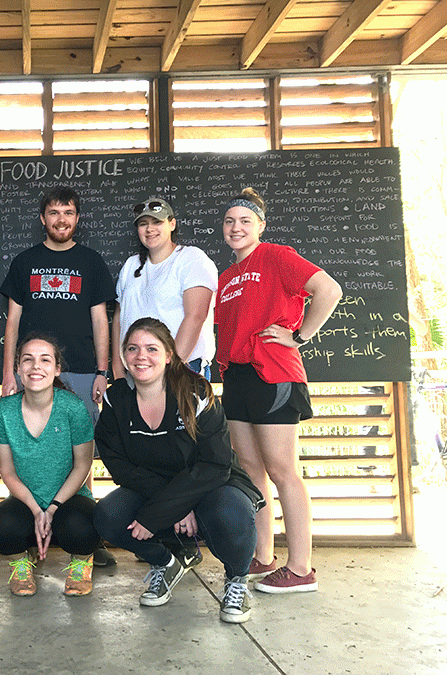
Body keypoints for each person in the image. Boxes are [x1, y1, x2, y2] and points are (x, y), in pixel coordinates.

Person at [94, 318, 263, 623]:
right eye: (132, 349)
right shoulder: (115, 398)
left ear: (169, 355)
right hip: (153, 488)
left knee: (232, 513)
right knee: (108, 516)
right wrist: (172, 507)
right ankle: (166, 562)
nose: (140, 356)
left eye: (151, 348)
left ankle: (237, 580)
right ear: (123, 355)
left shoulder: (196, 391)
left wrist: (162, 511)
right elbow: (120, 466)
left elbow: (215, 463)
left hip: (213, 484)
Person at [215, 188, 342, 594]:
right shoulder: (226, 277)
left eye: (245, 221)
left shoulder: (277, 256)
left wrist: (299, 336)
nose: (236, 228)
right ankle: (263, 556)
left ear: (261, 226)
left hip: (274, 373)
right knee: (251, 472)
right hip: (236, 376)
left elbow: (329, 290)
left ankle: (301, 567)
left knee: (282, 470)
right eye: (230, 221)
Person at [0, 185, 117, 566]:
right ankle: (32, 531)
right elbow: (13, 321)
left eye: (68, 212)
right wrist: (8, 373)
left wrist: (104, 370)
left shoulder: (91, 261)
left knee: (81, 454)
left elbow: (101, 319)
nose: (61, 219)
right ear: (42, 218)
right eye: (54, 212)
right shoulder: (25, 262)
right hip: (32, 371)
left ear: (77, 218)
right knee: (33, 453)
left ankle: (85, 537)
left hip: (81, 370)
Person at [0, 334, 99, 597]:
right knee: (1, 526)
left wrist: (52, 508)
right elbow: (7, 471)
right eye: (28, 360)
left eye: (45, 360)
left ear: (57, 369)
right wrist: (37, 510)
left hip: (69, 500)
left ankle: (82, 563)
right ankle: (20, 562)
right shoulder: (3, 411)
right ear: (18, 368)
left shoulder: (73, 407)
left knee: (87, 527)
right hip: (26, 503)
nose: (36, 366)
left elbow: (82, 466)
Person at [112, 196, 217, 380]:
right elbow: (119, 318)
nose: (150, 229)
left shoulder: (191, 258)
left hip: (182, 369)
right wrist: (118, 370)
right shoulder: (130, 265)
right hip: (136, 369)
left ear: (172, 224)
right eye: (143, 223)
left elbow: (196, 316)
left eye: (157, 222)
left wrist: (171, 370)